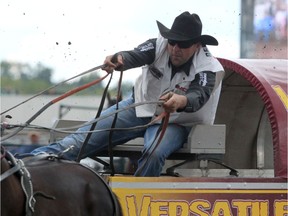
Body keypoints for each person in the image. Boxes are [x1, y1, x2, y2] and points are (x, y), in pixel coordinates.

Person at [31, 11, 224, 176]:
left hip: (177, 122)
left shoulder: (208, 67)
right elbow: (135, 55)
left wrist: (179, 101)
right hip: (139, 109)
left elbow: (199, 94)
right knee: (79, 140)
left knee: (154, 154)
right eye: (172, 42)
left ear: (197, 45)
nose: (175, 49)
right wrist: (119, 59)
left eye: (183, 45)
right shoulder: (158, 45)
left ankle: (140, 198)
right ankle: (25, 167)